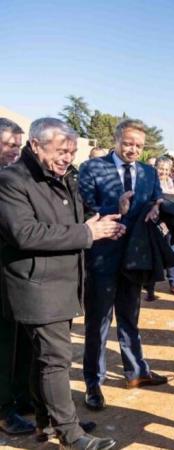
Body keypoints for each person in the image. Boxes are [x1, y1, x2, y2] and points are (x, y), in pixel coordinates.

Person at [0, 117, 124, 450]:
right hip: (36, 286)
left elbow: (72, 220)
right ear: (36, 145)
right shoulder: (12, 180)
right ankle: (70, 434)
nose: (67, 157)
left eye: (71, 151)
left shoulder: (62, 177)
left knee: (42, 359)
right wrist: (86, 233)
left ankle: (47, 421)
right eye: (60, 150)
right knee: (55, 359)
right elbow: (24, 233)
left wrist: (99, 224)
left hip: (63, 283)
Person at [79, 118, 173, 412]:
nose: (133, 150)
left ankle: (136, 371)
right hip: (102, 256)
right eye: (128, 144)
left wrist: (158, 207)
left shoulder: (147, 172)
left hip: (135, 257)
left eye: (139, 146)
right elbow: (83, 207)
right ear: (117, 140)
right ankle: (94, 383)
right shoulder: (93, 168)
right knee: (98, 322)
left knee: (130, 316)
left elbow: (157, 196)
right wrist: (113, 209)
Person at [0, 118, 34, 436]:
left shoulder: (14, 177)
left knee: (22, 342)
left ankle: (22, 397)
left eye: (18, 145)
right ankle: (3, 411)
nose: (15, 151)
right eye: (9, 144)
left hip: (16, 276)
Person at [143, 157, 174, 300]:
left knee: (173, 252)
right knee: (154, 255)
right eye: (161, 168)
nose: (163, 172)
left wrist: (162, 198)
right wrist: (170, 197)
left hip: (171, 224)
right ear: (155, 168)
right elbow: (149, 199)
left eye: (166, 169)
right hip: (155, 224)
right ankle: (150, 289)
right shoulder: (148, 182)